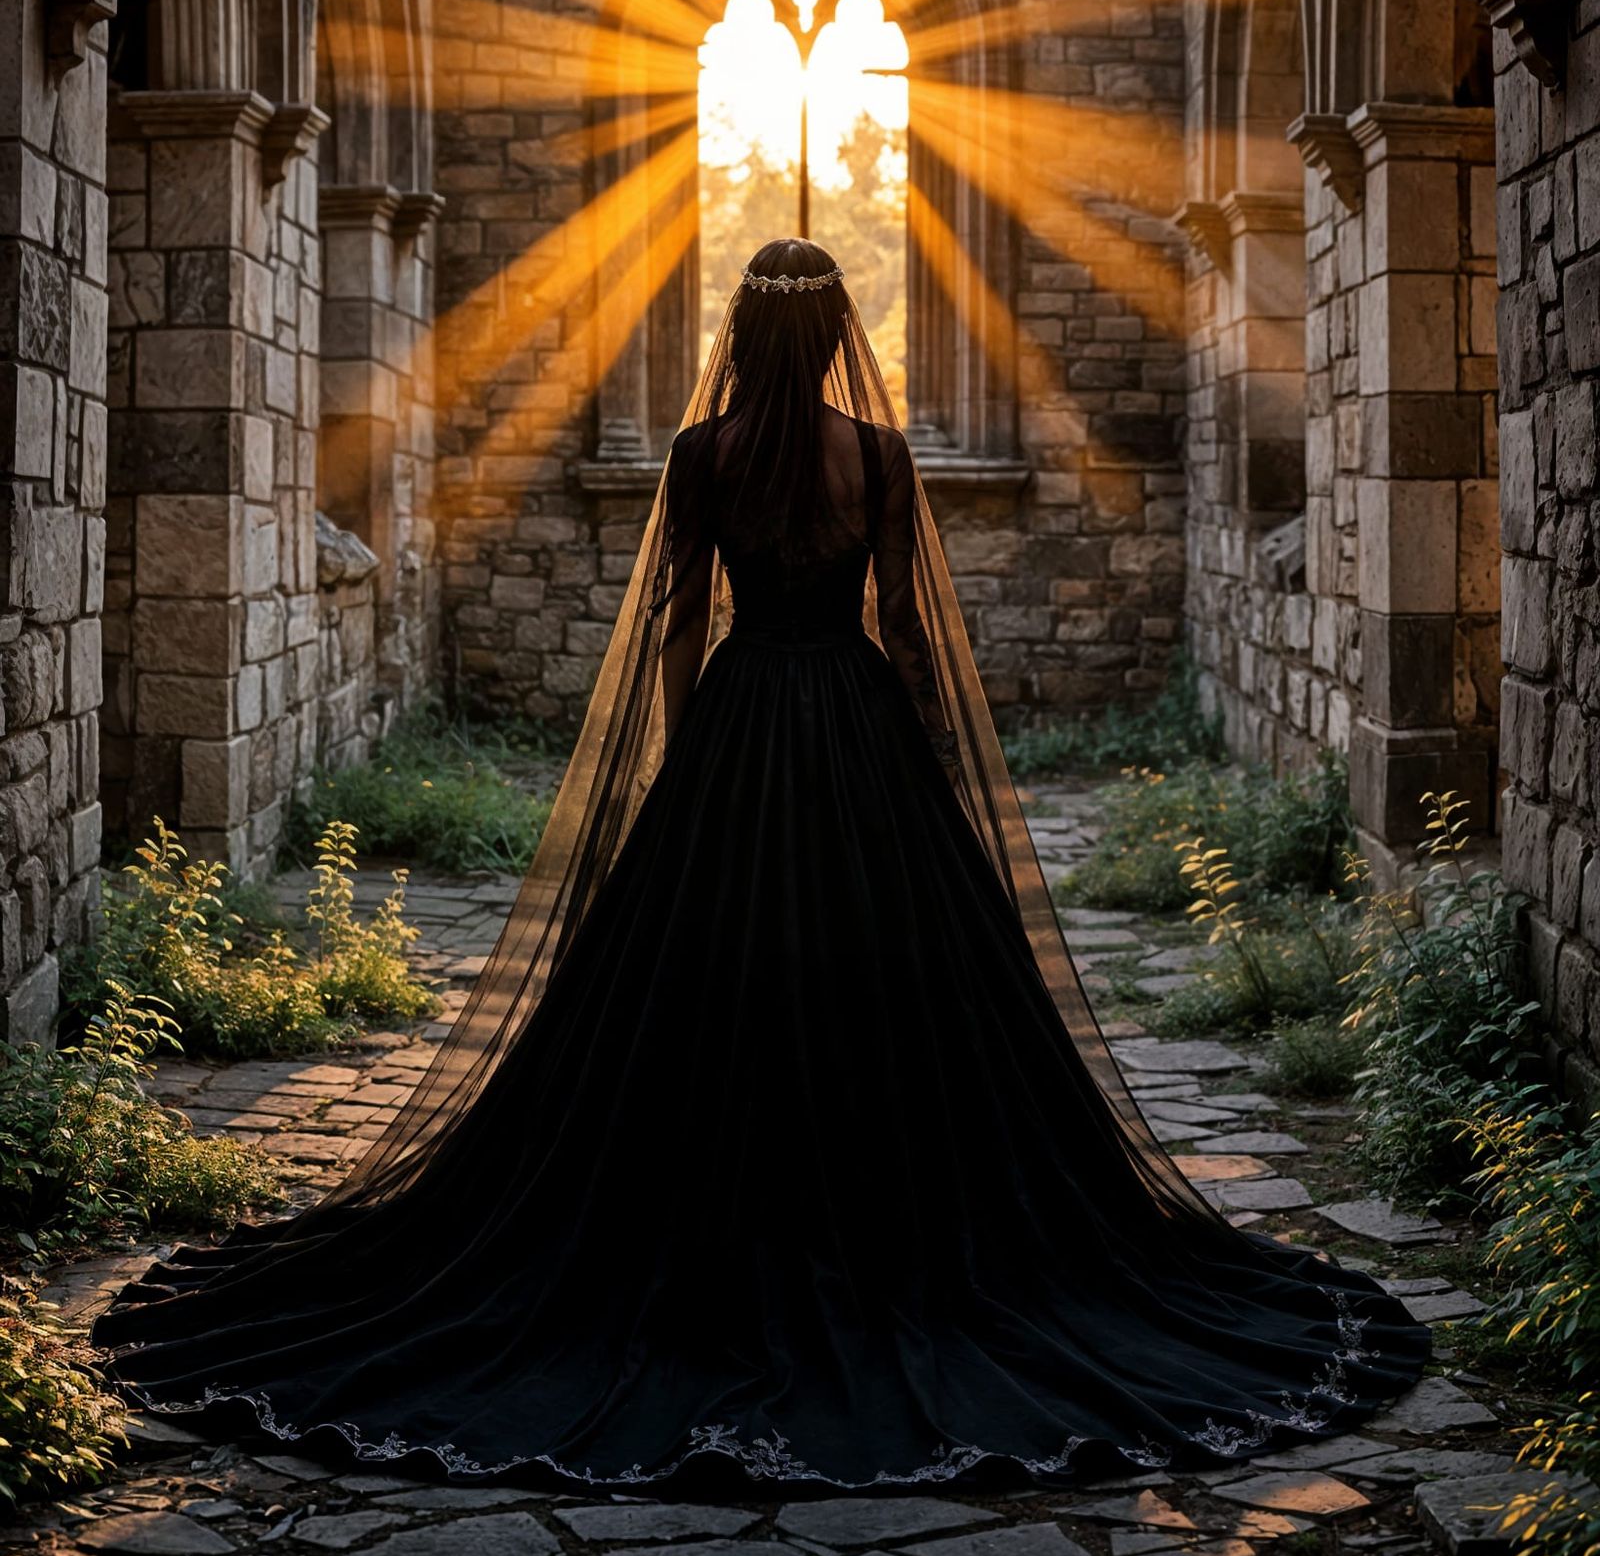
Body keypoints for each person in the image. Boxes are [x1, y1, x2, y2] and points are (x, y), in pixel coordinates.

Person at [96, 238, 1427, 1489]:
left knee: (699, 974)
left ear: (739, 335)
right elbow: (906, 629)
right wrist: (926, 765)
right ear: (842, 336)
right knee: (892, 970)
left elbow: (681, 624)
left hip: (741, 713)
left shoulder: (698, 453)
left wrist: (687, 762)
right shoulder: (885, 456)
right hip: (849, 713)